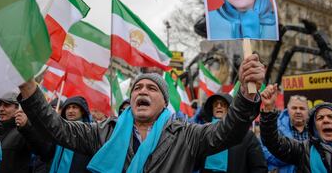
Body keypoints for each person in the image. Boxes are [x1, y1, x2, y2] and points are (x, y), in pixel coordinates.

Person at [18, 54, 264, 173]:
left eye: (151, 88)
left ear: (164, 102)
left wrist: (246, 94)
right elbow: (56, 128)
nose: (141, 91)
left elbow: (228, 132)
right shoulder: (105, 132)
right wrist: (29, 87)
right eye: (137, 88)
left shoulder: (186, 135)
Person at [260, 84, 332, 173]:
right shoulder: (303, 150)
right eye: (320, 118)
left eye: (331, 117)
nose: (326, 120)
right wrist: (269, 109)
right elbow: (272, 142)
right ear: (315, 126)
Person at [17, 96, 92, 173]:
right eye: (68, 108)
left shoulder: (89, 135)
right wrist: (26, 127)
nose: (70, 111)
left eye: (74, 107)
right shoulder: (57, 131)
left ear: (82, 111)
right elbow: (44, 151)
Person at [199, 93, 268, 173]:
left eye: (223, 104)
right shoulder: (203, 133)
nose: (219, 106)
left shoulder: (246, 135)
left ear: (230, 109)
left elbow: (259, 167)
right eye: (215, 104)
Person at [261, 94, 309, 173]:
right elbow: (266, 154)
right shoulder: (273, 127)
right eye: (294, 108)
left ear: (308, 111)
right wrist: (298, 157)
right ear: (288, 109)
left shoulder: (316, 130)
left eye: (302, 108)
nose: (298, 111)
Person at [0, 91, 33, 173]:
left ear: (17, 108)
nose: (1, 109)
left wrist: (27, 128)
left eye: (6, 105)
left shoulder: (24, 132)